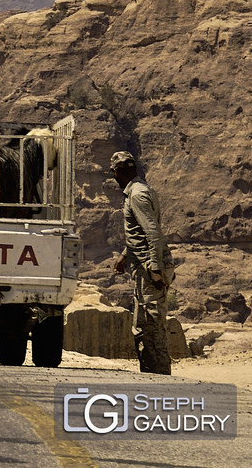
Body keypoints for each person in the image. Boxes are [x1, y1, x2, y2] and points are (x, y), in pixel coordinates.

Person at [108, 151, 174, 374]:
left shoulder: (137, 195)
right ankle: (153, 374)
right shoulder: (141, 190)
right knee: (147, 324)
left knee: (150, 326)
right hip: (145, 265)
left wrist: (155, 269)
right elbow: (140, 232)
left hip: (148, 268)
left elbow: (153, 233)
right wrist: (126, 256)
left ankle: (159, 378)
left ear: (117, 172)